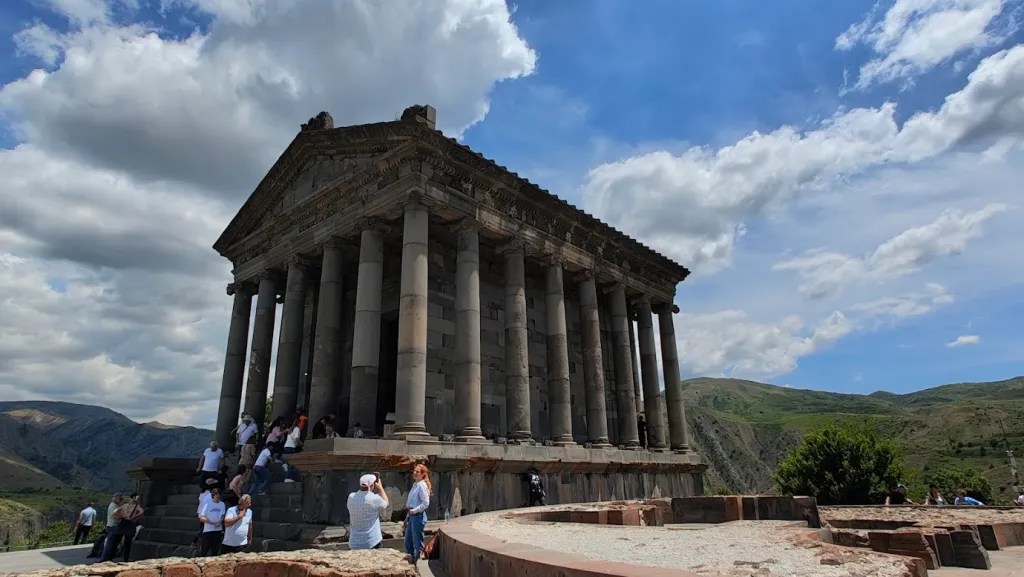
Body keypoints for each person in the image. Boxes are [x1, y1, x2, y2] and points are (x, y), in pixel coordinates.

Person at [347, 473, 390, 550]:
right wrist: (380, 489)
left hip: (354, 542)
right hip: (372, 541)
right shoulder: (374, 499)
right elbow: (386, 503)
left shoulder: (351, 497)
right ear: (372, 485)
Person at [100, 493, 144, 563]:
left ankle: (110, 557)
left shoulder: (124, 506)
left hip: (122, 524)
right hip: (131, 525)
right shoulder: (139, 508)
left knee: (116, 541)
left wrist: (121, 518)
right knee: (127, 543)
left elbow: (114, 513)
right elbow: (141, 514)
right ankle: (125, 559)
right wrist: (133, 518)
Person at [404, 463, 432, 564]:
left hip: (417, 516)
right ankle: (412, 562)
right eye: (414, 471)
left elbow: (426, 503)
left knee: (417, 545)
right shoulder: (415, 484)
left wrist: (414, 510)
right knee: (408, 542)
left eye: (417, 472)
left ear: (423, 474)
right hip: (412, 516)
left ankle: (418, 565)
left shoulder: (422, 486)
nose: (415, 473)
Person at [87, 493, 123, 558]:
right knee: (110, 543)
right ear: (117, 498)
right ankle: (105, 556)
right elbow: (116, 516)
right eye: (120, 498)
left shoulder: (112, 505)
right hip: (113, 526)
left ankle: (98, 553)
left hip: (109, 525)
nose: (121, 500)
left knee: (104, 539)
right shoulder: (115, 506)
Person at [198, 488, 226, 556]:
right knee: (204, 550)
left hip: (218, 530)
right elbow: (202, 518)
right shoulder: (207, 504)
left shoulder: (222, 504)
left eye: (219, 495)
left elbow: (222, 515)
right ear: (213, 495)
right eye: (216, 495)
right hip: (208, 530)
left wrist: (219, 522)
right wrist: (211, 523)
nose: (218, 496)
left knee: (215, 550)